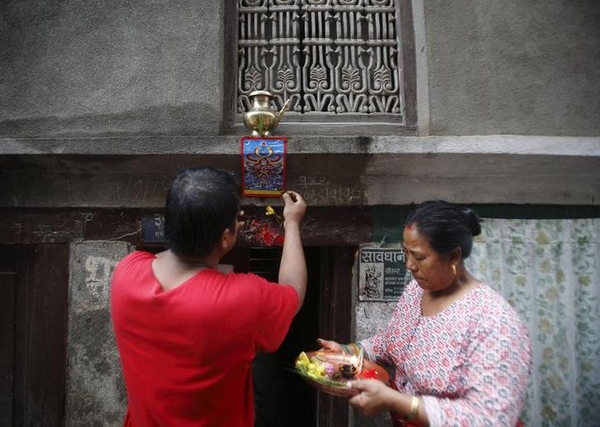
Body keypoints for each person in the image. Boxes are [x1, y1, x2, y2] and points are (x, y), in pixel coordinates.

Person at [110, 167, 307, 427]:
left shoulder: (126, 273)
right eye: (236, 218)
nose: (240, 221)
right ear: (225, 238)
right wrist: (292, 223)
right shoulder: (242, 299)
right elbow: (294, 289)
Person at [319, 200, 531, 426]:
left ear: (454, 257)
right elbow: (390, 342)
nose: (409, 265)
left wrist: (399, 402)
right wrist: (348, 352)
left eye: (419, 257)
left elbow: (491, 419)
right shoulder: (417, 291)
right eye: (406, 253)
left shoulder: (494, 321)